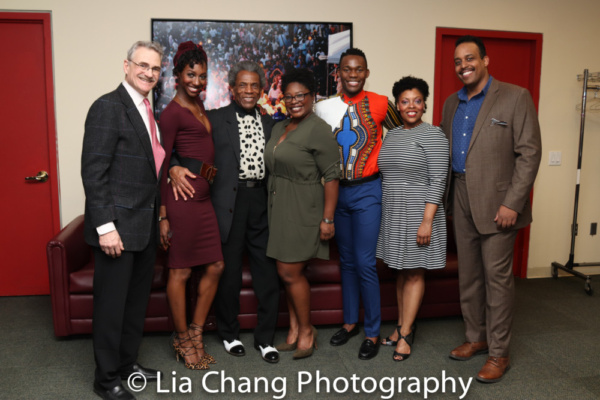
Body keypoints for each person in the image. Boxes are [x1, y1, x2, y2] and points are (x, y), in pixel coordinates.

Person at [441, 35, 541, 383]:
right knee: (468, 276)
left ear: (486, 60)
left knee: (497, 281)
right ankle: (476, 337)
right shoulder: (451, 104)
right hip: (461, 195)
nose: (463, 65)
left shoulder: (515, 97)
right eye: (457, 61)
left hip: (499, 203)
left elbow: (529, 154)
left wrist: (512, 202)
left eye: (470, 58)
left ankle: (499, 353)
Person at [167, 61, 281, 364]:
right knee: (227, 273)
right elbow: (177, 144)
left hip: (262, 202)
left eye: (254, 85)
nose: (248, 90)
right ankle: (229, 334)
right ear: (232, 88)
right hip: (227, 203)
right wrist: (174, 166)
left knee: (267, 273)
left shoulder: (271, 122)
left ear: (260, 89)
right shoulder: (214, 119)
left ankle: (265, 339)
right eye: (242, 85)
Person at [81, 40, 164, 400]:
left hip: (142, 228)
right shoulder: (107, 107)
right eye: (142, 65)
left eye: (156, 69)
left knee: (134, 306)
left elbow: (149, 167)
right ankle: (106, 379)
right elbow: (93, 173)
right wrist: (106, 228)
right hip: (116, 230)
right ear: (126, 66)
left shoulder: (148, 108)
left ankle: (128, 366)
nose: (149, 73)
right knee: (111, 309)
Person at [314, 48, 402, 360]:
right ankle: (350, 322)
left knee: (365, 263)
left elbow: (404, 131)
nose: (353, 74)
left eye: (359, 69)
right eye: (347, 69)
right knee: (347, 262)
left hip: (368, 191)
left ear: (366, 73)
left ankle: (373, 332)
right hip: (337, 193)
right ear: (338, 73)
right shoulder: (324, 108)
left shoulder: (380, 103)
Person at [158, 41, 224, 370]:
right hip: (181, 201)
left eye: (202, 75)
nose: (197, 81)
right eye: (190, 75)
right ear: (177, 76)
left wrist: (174, 161)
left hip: (204, 200)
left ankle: (197, 332)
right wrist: (163, 216)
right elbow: (159, 162)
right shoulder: (172, 113)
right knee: (181, 270)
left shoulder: (200, 108)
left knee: (215, 265)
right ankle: (183, 337)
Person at [266, 68, 340, 360]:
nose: (294, 101)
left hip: (304, 206)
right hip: (279, 205)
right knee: (284, 273)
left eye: (301, 96)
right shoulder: (279, 128)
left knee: (290, 271)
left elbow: (332, 176)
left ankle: (307, 330)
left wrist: (328, 218)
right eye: (289, 97)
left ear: (313, 97)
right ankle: (294, 330)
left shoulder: (318, 128)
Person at [376, 76, 449, 361]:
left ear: (424, 104)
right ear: (397, 104)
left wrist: (427, 220)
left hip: (420, 211)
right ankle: (400, 326)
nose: (411, 106)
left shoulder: (434, 135)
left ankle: (406, 334)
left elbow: (439, 179)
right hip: (393, 211)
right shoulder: (392, 134)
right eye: (405, 101)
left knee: (415, 271)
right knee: (400, 270)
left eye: (417, 101)